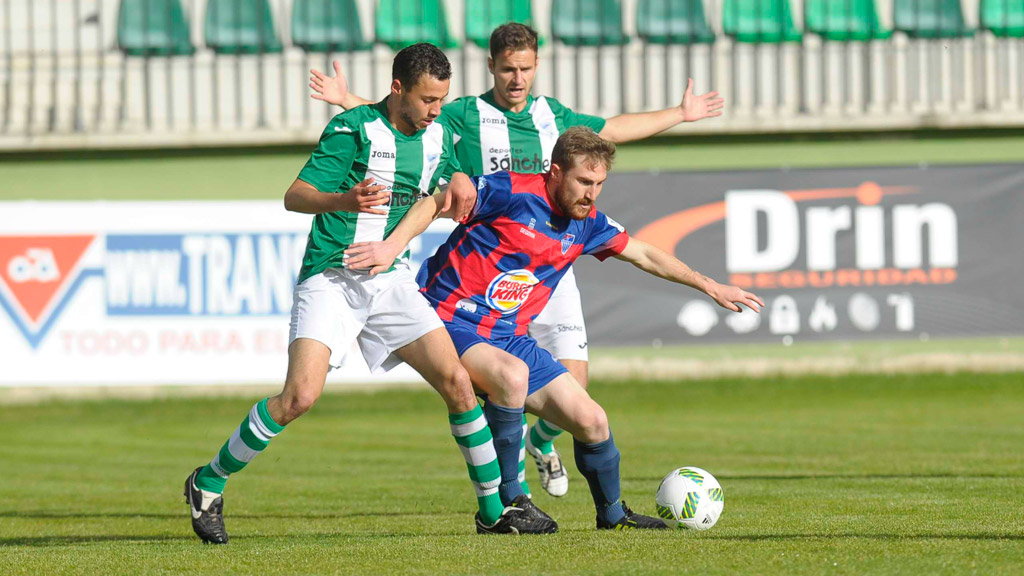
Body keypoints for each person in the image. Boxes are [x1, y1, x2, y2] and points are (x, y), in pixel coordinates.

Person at [310, 24, 725, 498]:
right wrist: (348, 101)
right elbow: (411, 119)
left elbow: (613, 129)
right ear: (492, 66)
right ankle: (509, 487)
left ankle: (538, 443)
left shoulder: (553, 115)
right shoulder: (465, 113)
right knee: (506, 377)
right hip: (493, 258)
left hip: (551, 268)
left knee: (577, 387)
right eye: (508, 68)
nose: (517, 78)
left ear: (536, 66)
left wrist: (680, 114)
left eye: (525, 68)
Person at [183, 43, 557, 545]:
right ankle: (208, 481)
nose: (436, 111)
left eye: (442, 100)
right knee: (299, 397)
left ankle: (492, 511)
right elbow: (295, 196)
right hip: (332, 277)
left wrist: (457, 179)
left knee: (458, 383)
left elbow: (439, 186)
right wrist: (344, 198)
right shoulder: (352, 129)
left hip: (391, 279)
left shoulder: (437, 135)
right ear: (397, 88)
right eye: (427, 100)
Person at [343, 126, 763, 530]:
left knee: (592, 420)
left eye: (599, 184)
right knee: (511, 376)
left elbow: (646, 254)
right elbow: (436, 203)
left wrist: (709, 285)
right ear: (556, 172)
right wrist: (392, 246)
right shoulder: (510, 191)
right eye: (584, 182)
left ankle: (613, 515)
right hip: (449, 318)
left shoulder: (588, 222)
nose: (591, 193)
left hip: (508, 336)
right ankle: (511, 500)